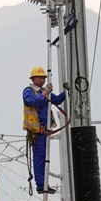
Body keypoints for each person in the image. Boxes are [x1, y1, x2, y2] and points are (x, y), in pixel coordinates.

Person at [23, 66, 67, 194]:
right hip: (36, 131)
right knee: (39, 158)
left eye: (43, 78)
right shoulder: (29, 91)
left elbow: (57, 100)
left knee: (43, 158)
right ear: (33, 78)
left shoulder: (44, 92)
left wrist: (66, 91)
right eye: (39, 77)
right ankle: (41, 185)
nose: (42, 80)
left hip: (44, 130)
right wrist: (45, 93)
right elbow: (33, 102)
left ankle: (43, 183)